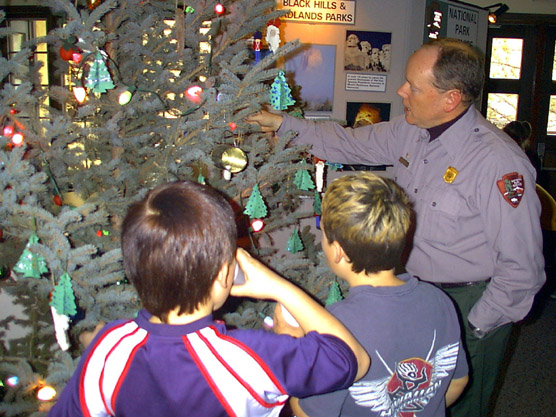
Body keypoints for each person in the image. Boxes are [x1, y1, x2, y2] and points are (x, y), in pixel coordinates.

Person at [247, 38, 546, 417]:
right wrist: (283, 124)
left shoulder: (498, 164)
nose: (401, 91)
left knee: (459, 405)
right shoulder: (412, 129)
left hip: (473, 303)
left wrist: (474, 327)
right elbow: (346, 143)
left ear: (450, 99)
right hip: (411, 296)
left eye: (413, 86)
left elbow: (523, 272)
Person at [47, 180, 369, 417]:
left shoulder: (107, 348)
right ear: (223, 276)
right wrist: (279, 286)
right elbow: (352, 360)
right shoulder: (249, 359)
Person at [285, 172, 468, 417]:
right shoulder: (439, 300)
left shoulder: (337, 325)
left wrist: (296, 352)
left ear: (338, 251)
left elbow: (307, 412)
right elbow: (457, 381)